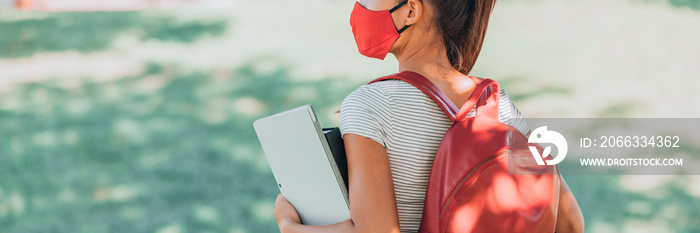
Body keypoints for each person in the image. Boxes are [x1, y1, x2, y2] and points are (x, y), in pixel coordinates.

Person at [273, 0, 585, 232]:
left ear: (411, 11)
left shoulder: (370, 107)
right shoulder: (501, 107)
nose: (360, 5)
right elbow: (571, 225)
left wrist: (291, 225)